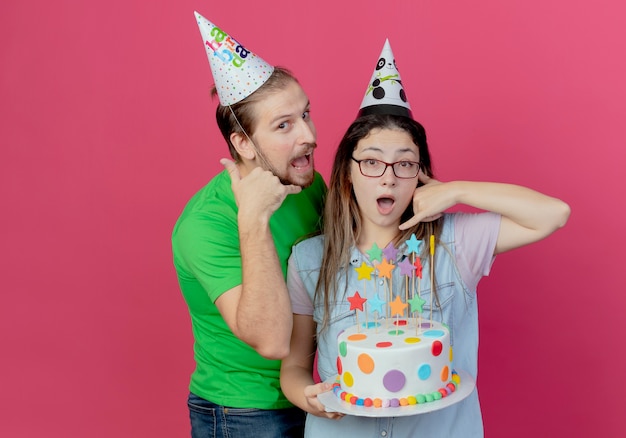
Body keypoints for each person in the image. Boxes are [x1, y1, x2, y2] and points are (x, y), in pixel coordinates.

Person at [280, 40, 570, 437]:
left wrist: (456, 191)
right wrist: (308, 396)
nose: (388, 175)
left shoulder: (455, 243)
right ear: (347, 171)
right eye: (371, 161)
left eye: (405, 162)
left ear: (420, 172)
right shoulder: (310, 260)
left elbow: (554, 214)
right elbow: (295, 367)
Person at [172, 13, 326, 437]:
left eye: (306, 115)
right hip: (243, 412)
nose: (309, 135)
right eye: (284, 125)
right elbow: (273, 342)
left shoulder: (306, 183)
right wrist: (253, 220)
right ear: (243, 143)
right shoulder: (203, 225)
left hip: (312, 390)